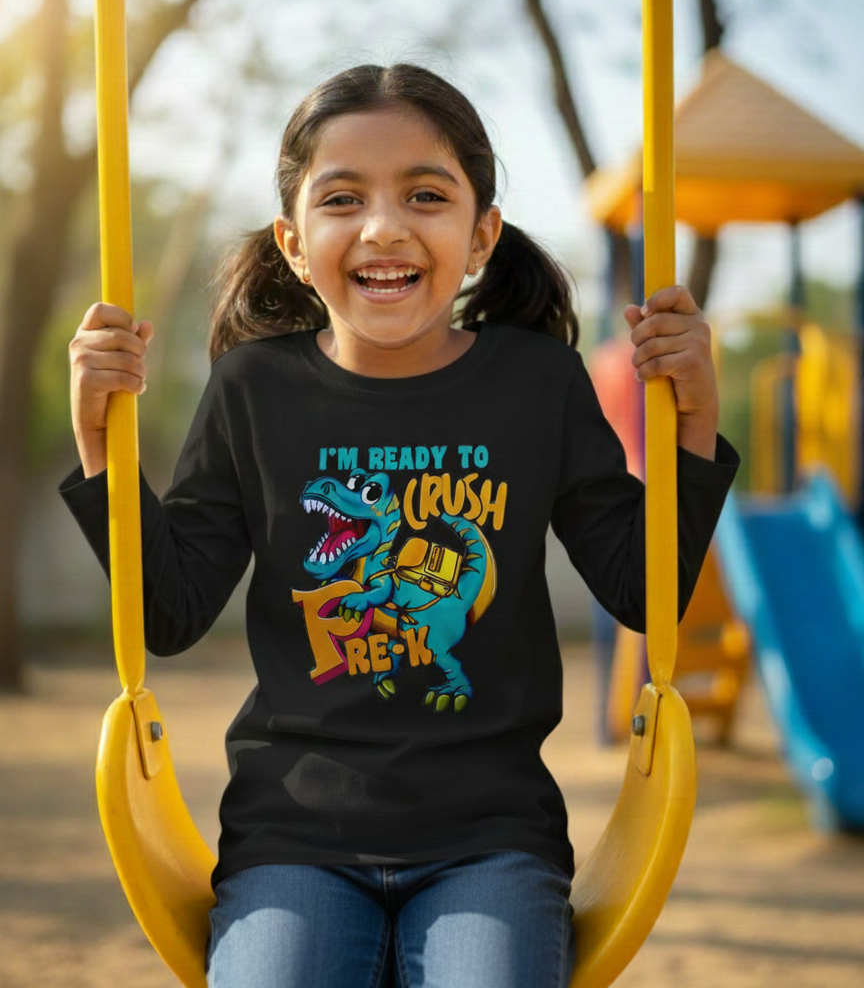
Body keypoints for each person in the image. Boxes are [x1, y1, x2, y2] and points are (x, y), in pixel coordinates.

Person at [63, 63, 738, 988]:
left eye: (426, 193)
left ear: (481, 235)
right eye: (343, 198)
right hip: (292, 840)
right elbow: (170, 610)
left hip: (491, 840)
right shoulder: (254, 390)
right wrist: (102, 447)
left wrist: (694, 423)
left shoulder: (536, 383)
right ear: (296, 244)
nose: (384, 226)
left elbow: (640, 589)